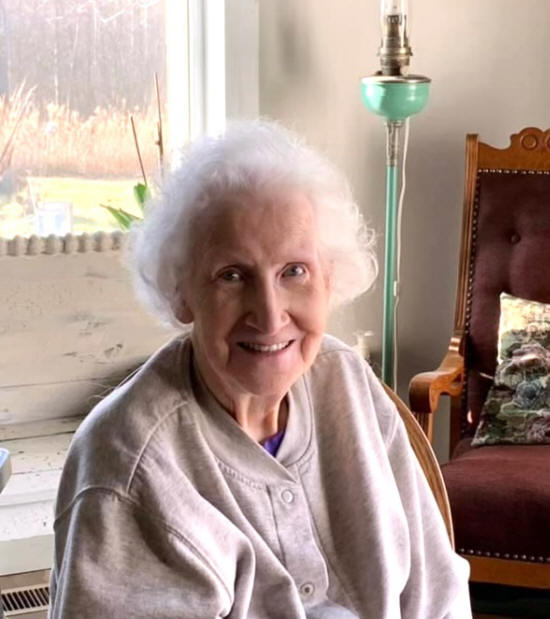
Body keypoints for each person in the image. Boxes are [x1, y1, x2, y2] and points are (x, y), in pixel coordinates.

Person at [49, 121, 471, 618]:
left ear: (329, 278)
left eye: (294, 271)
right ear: (182, 292)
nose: (270, 317)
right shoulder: (130, 466)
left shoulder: (347, 383)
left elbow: (438, 594)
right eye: (232, 276)